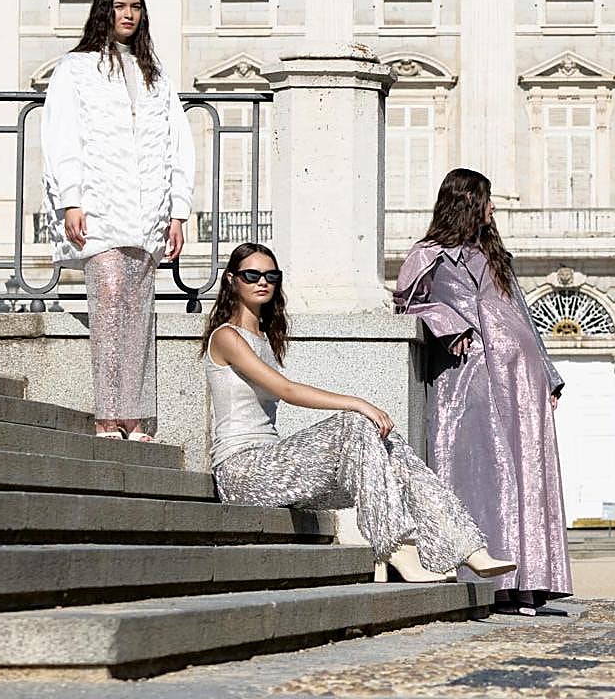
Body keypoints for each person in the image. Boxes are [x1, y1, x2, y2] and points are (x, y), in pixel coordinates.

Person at [201, 242, 516, 583]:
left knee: (389, 445)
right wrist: (359, 402)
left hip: (273, 467)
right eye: (251, 275)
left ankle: (467, 546)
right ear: (232, 280)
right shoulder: (226, 337)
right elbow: (287, 391)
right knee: (355, 422)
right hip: (242, 472)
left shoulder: (264, 336)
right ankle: (396, 547)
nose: (262, 282)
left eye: (271, 276)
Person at [394, 168, 572, 614]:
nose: (493, 209)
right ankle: (483, 579)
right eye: (488, 200)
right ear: (468, 203)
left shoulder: (497, 256)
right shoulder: (427, 255)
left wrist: (547, 373)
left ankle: (527, 584)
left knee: (527, 475)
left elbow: (524, 317)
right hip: (469, 374)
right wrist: (448, 324)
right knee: (484, 471)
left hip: (521, 376)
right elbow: (404, 303)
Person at [42, 0, 194, 441]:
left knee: (138, 312)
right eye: (119, 6)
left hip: (147, 212)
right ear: (103, 10)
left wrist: (179, 211)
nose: (128, 14)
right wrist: (71, 198)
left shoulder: (156, 76)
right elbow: (61, 134)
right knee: (108, 301)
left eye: (135, 7)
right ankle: (107, 414)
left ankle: (135, 414)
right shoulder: (76, 68)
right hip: (101, 208)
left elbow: (178, 144)